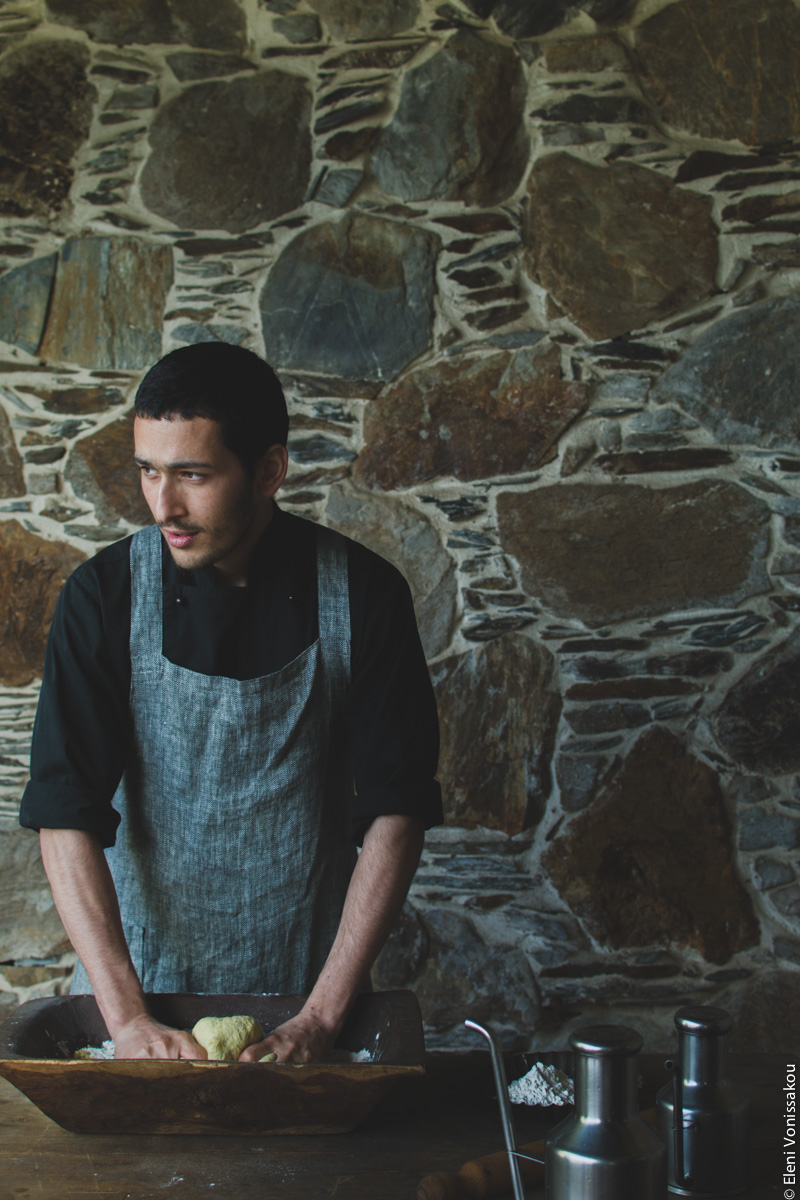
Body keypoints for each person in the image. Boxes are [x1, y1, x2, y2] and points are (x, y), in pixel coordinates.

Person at [19, 342, 442, 1063]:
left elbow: (395, 812)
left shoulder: (366, 594)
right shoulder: (104, 598)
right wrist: (126, 1021)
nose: (164, 505)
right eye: (149, 471)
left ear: (270, 470)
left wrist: (321, 1017)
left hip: (309, 1007)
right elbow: (64, 815)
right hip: (139, 1006)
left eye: (194, 475)